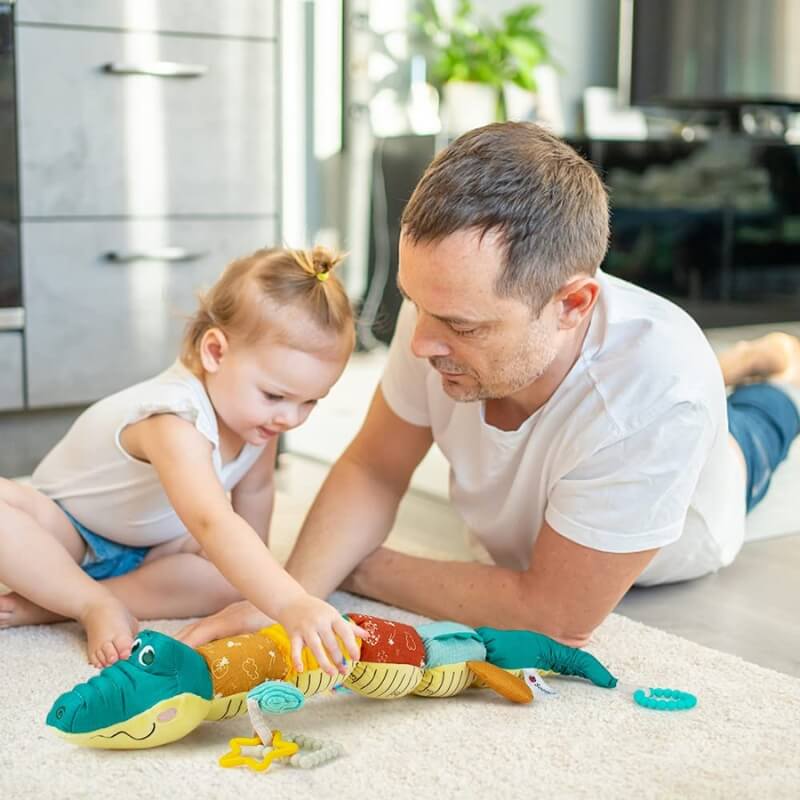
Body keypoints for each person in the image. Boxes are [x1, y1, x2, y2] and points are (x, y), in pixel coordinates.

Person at [0, 247, 365, 670]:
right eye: (275, 395)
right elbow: (213, 520)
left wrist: (261, 587)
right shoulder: (174, 417)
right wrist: (291, 602)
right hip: (67, 535)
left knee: (232, 581)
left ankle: (48, 603)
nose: (289, 417)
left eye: (310, 402)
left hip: (154, 546)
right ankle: (89, 602)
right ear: (215, 352)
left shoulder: (259, 423)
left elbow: (256, 495)